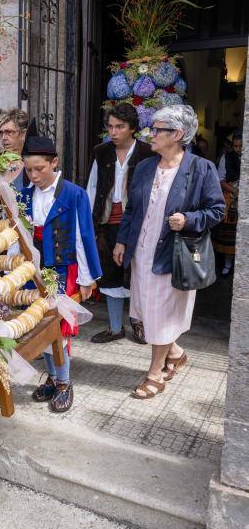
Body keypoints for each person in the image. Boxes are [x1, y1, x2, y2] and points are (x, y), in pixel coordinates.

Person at [113, 106, 225, 399]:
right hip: (142, 251)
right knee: (146, 312)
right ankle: (175, 354)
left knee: (160, 314)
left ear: (177, 135)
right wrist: (122, 241)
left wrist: (188, 219)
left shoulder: (201, 169)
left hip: (173, 255)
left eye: (158, 129)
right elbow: (132, 208)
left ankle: (154, 374)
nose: (151, 133)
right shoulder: (146, 167)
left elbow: (217, 211)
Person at [21, 136, 102, 413]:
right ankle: (53, 378)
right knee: (37, 324)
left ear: (54, 163)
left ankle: (65, 383)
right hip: (34, 269)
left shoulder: (74, 193)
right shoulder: (24, 194)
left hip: (61, 268)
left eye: (40, 169)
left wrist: (86, 277)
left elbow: (83, 237)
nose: (34, 175)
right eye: (29, 170)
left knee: (57, 327)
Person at [86, 104, 155, 344]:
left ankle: (139, 324)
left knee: (137, 274)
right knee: (111, 273)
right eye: (110, 127)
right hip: (107, 221)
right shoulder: (101, 152)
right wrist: (90, 223)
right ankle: (116, 327)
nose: (113, 132)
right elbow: (92, 188)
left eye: (120, 127)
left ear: (133, 128)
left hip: (137, 223)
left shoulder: (148, 152)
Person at [213, 131, 242, 277]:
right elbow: (221, 180)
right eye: (236, 146)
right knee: (229, 234)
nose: (238, 149)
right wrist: (236, 191)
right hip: (231, 198)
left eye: (240, 146)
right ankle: (227, 264)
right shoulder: (226, 157)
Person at [0, 109, 30, 189]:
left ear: (23, 134)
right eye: (1, 133)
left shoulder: (32, 161)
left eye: (9, 132)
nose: (4, 138)